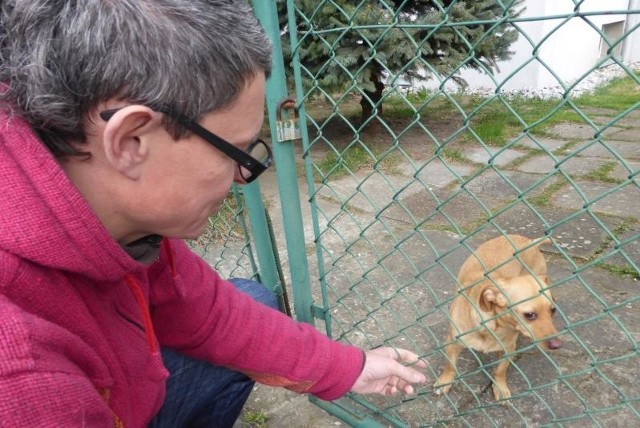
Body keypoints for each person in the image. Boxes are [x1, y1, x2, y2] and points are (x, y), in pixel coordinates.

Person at [0, 1, 428, 427]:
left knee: (252, 298)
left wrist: (346, 368)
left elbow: (205, 310)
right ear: (130, 142)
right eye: (236, 151)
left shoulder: (112, 215)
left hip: (122, 387)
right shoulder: (26, 382)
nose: (244, 177)